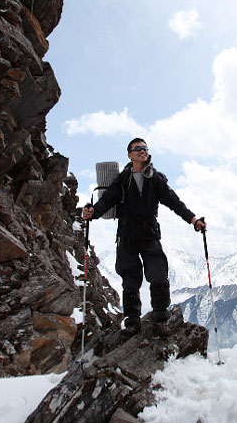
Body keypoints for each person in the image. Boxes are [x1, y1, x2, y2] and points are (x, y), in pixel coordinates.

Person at [82, 138, 206, 338]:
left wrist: (193, 220)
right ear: (130, 155)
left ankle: (160, 320)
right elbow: (107, 201)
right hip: (127, 236)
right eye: (137, 148)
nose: (142, 151)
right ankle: (132, 323)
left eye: (145, 148)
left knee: (158, 275)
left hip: (149, 234)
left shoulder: (155, 178)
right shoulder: (122, 179)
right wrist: (93, 212)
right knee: (130, 280)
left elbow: (174, 202)